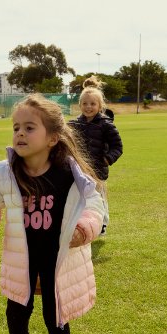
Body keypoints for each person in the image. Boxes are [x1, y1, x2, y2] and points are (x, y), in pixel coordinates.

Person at [0, 93, 104, 334]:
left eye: (30, 128)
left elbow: (94, 204)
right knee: (17, 309)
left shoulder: (69, 174)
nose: (20, 133)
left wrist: (84, 228)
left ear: (53, 138)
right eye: (16, 127)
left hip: (57, 259)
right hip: (22, 257)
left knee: (55, 316)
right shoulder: (5, 172)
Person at [69, 76, 123, 234]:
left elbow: (117, 147)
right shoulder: (74, 125)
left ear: (100, 106)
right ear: (80, 105)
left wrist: (106, 159)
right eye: (85, 104)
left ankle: (102, 224)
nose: (88, 107)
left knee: (99, 198)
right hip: (79, 170)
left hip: (98, 171)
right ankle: (82, 224)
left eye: (92, 104)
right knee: (81, 198)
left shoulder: (106, 125)